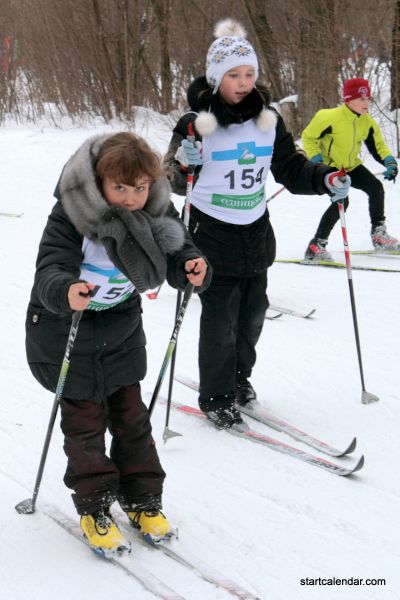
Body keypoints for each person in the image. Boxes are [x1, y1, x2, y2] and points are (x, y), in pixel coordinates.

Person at [25, 132, 209, 555]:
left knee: (132, 418)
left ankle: (143, 498)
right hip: (64, 329)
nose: (131, 198)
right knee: (84, 424)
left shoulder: (158, 210)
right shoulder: (72, 214)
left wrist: (192, 267)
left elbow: (180, 250)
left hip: (120, 328)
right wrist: (65, 287)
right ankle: (94, 506)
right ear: (99, 181)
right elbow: (50, 265)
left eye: (140, 187)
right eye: (120, 188)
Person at [165, 18, 349, 431]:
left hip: (255, 233)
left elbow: (289, 167)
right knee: (220, 322)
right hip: (209, 235)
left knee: (252, 318)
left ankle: (238, 380)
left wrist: (324, 179)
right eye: (234, 75)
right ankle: (216, 397)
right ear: (216, 78)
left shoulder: (269, 120)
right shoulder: (195, 124)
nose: (243, 82)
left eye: (249, 74)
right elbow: (171, 182)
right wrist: (182, 164)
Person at [302, 77, 399, 261]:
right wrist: (317, 159)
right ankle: (316, 245)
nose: (366, 103)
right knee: (342, 202)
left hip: (350, 165)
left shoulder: (367, 121)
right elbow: (308, 137)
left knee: (375, 188)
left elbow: (377, 146)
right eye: (361, 99)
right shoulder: (328, 117)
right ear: (348, 99)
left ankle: (379, 235)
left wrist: (389, 162)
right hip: (330, 168)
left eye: (368, 98)